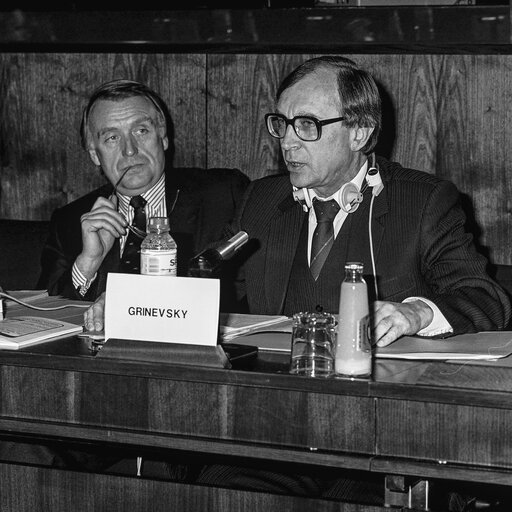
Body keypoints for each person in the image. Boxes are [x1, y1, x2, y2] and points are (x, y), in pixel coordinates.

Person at [82, 57, 512, 507]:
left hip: (380, 434)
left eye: (306, 124)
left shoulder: (422, 201)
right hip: (276, 428)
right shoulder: (265, 201)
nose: (288, 140)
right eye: (282, 124)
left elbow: (484, 297)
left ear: (359, 132)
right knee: (215, 494)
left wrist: (415, 312)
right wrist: (137, 304)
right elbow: (206, 283)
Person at [37, 79, 249, 304]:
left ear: (163, 137)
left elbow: (257, 293)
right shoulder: (69, 221)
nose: (129, 150)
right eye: (112, 137)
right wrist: (88, 263)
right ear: (94, 155)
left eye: (141, 130)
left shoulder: (225, 195)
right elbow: (42, 317)